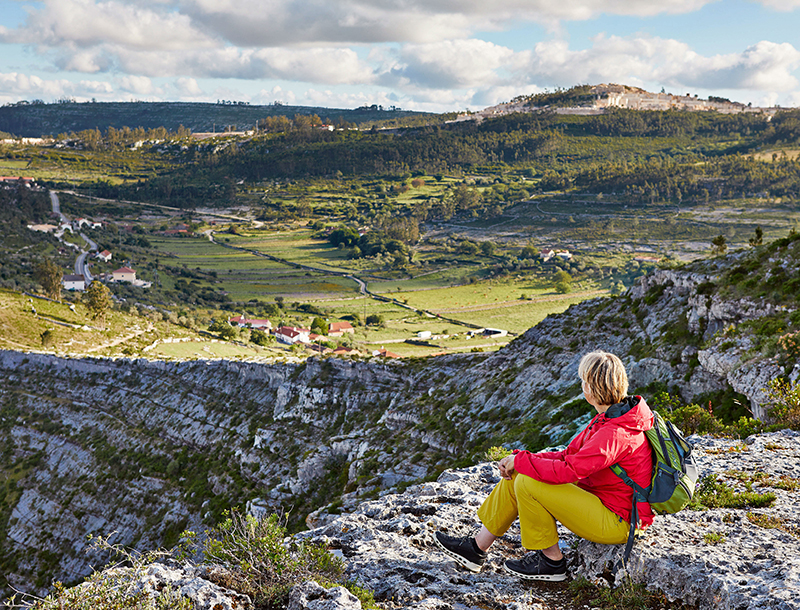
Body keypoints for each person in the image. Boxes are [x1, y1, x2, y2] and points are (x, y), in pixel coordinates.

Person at [434, 350, 654, 581]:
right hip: (606, 504)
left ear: (591, 388)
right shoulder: (610, 417)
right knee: (521, 471)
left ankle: (551, 562)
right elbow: (569, 455)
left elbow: (570, 471)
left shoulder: (615, 432)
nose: (582, 386)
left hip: (619, 521)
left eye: (583, 381)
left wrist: (522, 462)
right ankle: (476, 549)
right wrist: (520, 459)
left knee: (529, 481)